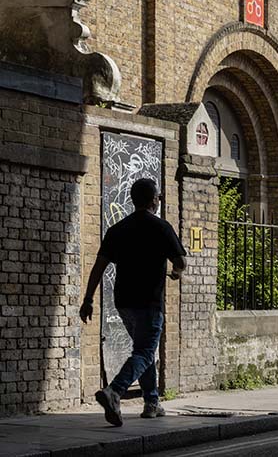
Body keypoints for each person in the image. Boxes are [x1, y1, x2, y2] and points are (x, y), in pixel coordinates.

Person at [80, 177, 187, 426]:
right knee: (145, 351)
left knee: (142, 351)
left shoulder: (117, 229)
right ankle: (114, 391)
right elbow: (181, 262)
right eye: (158, 197)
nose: (159, 200)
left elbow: (98, 267)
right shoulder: (161, 227)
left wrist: (88, 299)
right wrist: (177, 273)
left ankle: (152, 403)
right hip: (149, 302)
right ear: (153, 200)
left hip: (124, 302)